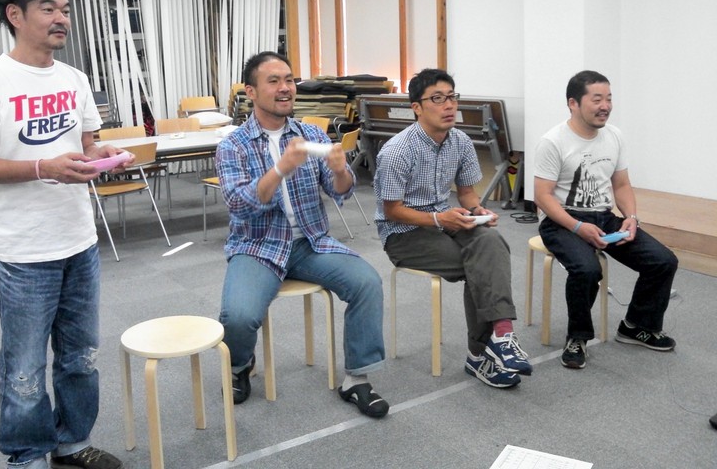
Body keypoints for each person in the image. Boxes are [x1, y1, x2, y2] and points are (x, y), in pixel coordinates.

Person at [0, 0, 126, 469]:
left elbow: (87, 145)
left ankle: (71, 442)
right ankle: (27, 455)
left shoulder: (75, 79)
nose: (61, 18)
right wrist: (42, 167)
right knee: (24, 367)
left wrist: (103, 156)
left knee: (81, 356)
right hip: (21, 252)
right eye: (48, 8)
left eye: (65, 9)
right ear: (15, 15)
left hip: (79, 241)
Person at [216, 51, 389, 418]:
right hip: (257, 246)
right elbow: (240, 204)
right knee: (238, 316)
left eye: (289, 80)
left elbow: (341, 191)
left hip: (311, 242)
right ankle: (238, 366)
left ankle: (357, 378)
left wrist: (340, 170)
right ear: (251, 91)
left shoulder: (311, 133)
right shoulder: (233, 145)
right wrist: (279, 169)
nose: (285, 88)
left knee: (367, 283)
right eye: (274, 81)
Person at [374, 68, 532, 389]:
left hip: (447, 220)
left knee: (490, 240)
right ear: (417, 107)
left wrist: (478, 211)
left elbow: (467, 194)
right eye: (437, 98)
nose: (448, 105)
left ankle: (502, 336)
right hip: (403, 234)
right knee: (480, 265)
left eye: (451, 97)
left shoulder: (460, 141)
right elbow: (392, 211)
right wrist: (438, 219)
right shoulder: (396, 151)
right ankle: (480, 355)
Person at [534, 70, 678, 369]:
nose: (605, 106)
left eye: (609, 99)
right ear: (573, 103)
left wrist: (631, 218)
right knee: (587, 270)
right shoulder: (553, 141)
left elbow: (621, 185)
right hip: (562, 220)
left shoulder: (614, 136)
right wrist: (577, 227)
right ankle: (577, 337)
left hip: (603, 216)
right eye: (597, 99)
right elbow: (543, 197)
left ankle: (636, 326)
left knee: (663, 261)